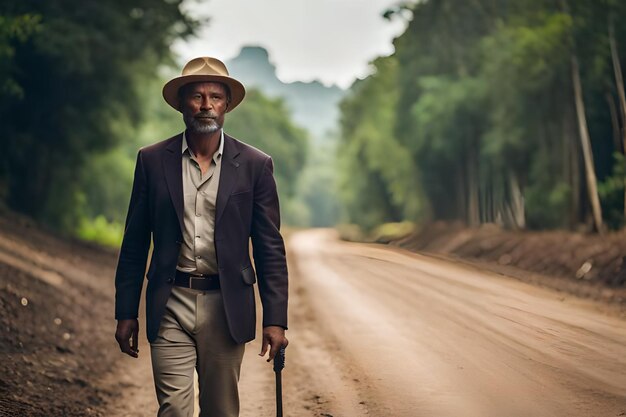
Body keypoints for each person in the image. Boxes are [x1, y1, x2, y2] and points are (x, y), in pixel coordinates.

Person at [114, 56, 289, 417]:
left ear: (227, 106)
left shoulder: (256, 165)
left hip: (226, 305)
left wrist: (276, 318)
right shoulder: (151, 160)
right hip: (170, 302)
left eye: (215, 97)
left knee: (220, 411)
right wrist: (125, 312)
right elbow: (134, 244)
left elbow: (270, 247)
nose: (206, 105)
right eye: (196, 96)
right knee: (174, 410)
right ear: (181, 103)